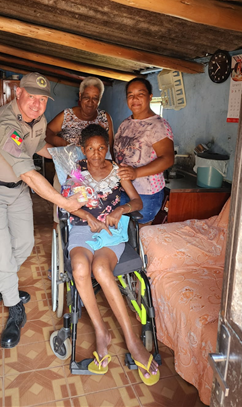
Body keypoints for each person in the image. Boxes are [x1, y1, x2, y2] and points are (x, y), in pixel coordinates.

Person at [0, 72, 83, 349]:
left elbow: (36, 145)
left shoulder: (39, 119)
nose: (37, 103)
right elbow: (29, 173)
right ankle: (13, 309)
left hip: (15, 189)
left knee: (24, 242)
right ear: (18, 93)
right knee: (2, 249)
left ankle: (1, 283)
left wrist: (65, 154)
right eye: (31, 96)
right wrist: (64, 202)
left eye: (43, 99)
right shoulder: (4, 125)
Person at [65, 124, 160, 384]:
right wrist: (85, 215)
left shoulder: (119, 171)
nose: (96, 154)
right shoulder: (76, 173)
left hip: (111, 233)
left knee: (100, 269)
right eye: (90, 149)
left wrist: (122, 209)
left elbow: (137, 202)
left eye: (101, 148)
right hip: (83, 231)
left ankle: (132, 342)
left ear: (108, 148)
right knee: (80, 269)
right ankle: (101, 332)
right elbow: (67, 205)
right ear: (83, 150)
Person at [45, 76, 114, 224]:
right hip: (68, 172)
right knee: (63, 211)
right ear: (80, 97)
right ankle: (61, 238)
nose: (90, 102)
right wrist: (63, 143)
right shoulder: (67, 115)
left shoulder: (104, 118)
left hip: (96, 175)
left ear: (100, 99)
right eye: (86, 97)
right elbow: (47, 132)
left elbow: (110, 147)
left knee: (93, 209)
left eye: (95, 98)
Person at [113, 77, 175, 225]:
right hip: (123, 189)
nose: (135, 99)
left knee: (140, 233)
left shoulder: (158, 126)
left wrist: (136, 173)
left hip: (146, 193)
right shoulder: (126, 123)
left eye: (140, 94)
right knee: (124, 232)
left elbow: (168, 159)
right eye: (130, 95)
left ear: (150, 97)